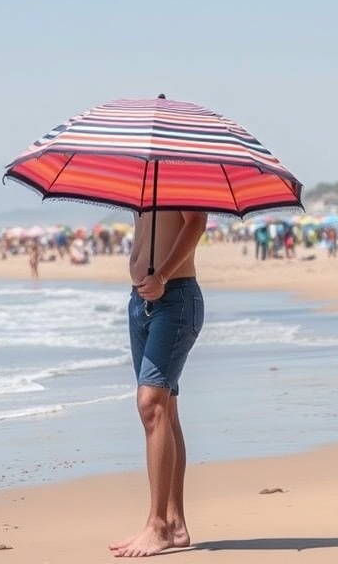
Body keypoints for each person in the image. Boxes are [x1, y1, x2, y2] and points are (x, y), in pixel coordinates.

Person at [109, 208, 207, 558]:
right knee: (165, 409)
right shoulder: (142, 173)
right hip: (140, 302)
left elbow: (196, 222)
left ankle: (157, 526)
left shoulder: (180, 168)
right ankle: (176, 524)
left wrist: (162, 274)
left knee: (150, 405)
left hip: (175, 298)